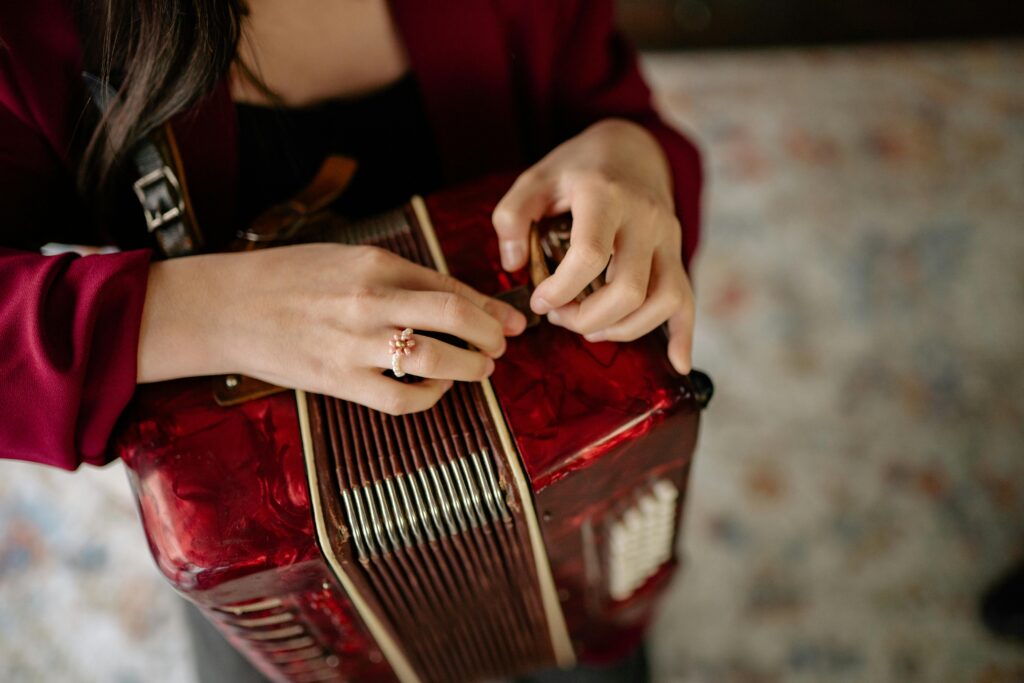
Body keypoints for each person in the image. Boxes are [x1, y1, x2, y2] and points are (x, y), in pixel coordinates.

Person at [0, 0, 703, 680]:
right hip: (273, 562)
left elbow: (606, 115)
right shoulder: (33, 26)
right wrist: (207, 310)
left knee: (592, 639)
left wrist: (634, 154)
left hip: (563, 503)